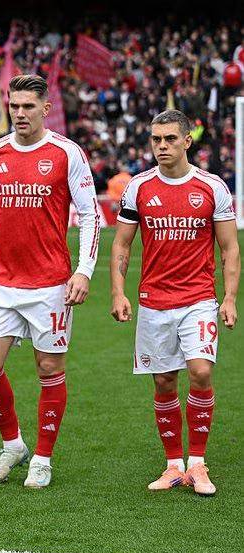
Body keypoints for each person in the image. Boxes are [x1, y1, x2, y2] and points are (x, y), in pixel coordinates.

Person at [0, 75, 100, 488]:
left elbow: (91, 214)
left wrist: (84, 270)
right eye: (14, 106)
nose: (20, 113)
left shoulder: (66, 153)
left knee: (49, 367)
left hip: (50, 283)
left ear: (45, 109)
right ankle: (13, 444)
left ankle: (43, 457)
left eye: (28, 106)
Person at [110, 109, 239, 496]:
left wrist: (230, 297)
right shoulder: (138, 187)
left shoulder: (212, 187)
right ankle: (173, 466)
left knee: (200, 372)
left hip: (198, 298)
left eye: (169, 139)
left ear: (187, 141)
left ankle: (197, 463)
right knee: (165, 381)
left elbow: (230, 248)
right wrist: (118, 291)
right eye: (156, 139)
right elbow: (121, 244)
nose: (161, 146)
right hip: (154, 301)